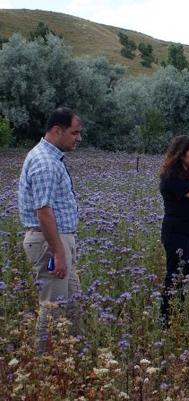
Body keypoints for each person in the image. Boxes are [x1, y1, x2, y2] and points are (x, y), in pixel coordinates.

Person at [18, 107, 83, 353]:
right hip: (50, 243)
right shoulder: (45, 162)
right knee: (53, 307)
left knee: (74, 305)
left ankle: (74, 359)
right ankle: (45, 365)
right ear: (57, 130)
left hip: (57, 242)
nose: (79, 138)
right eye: (75, 132)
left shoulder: (51, 158)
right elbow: (43, 211)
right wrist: (58, 253)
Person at [159, 135, 189, 327]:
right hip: (176, 232)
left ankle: (178, 313)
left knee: (186, 274)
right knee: (174, 275)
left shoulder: (186, 174)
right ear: (181, 154)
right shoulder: (171, 176)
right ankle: (165, 320)